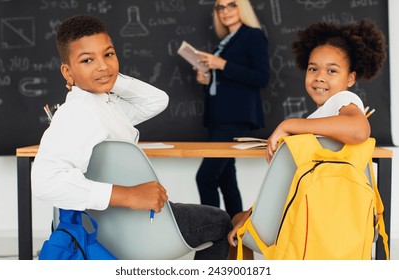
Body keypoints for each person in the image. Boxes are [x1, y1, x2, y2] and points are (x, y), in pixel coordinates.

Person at [31, 14, 232, 260]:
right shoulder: (80, 112)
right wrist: (128, 195)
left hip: (116, 221)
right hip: (121, 223)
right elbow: (45, 182)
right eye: (87, 60)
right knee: (221, 222)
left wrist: (107, 79)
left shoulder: (103, 105)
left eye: (108, 54)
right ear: (67, 72)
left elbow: (157, 101)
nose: (103, 65)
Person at [227, 18, 387, 259]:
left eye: (332, 71)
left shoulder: (343, 100)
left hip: (311, 216)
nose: (320, 77)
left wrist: (288, 124)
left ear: (351, 79)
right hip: (332, 217)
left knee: (236, 221)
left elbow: (359, 130)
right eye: (313, 69)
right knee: (244, 217)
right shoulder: (321, 117)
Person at [194, 0, 270, 219]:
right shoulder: (226, 41)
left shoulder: (253, 35)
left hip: (234, 118)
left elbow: (262, 78)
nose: (225, 11)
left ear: (241, 8)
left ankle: (212, 235)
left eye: (231, 5)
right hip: (219, 118)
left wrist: (222, 65)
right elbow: (227, 84)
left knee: (205, 177)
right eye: (220, 7)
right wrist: (206, 78)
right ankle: (235, 238)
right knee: (226, 179)